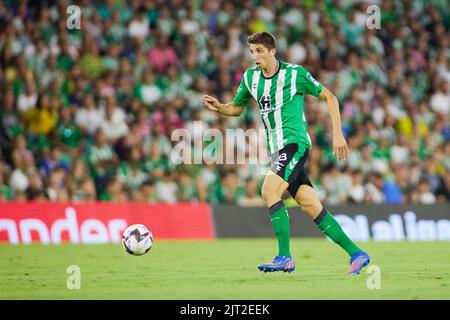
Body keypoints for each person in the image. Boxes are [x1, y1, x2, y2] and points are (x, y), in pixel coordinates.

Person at [201, 32, 370, 275]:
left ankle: (284, 257)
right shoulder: (250, 78)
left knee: (269, 190)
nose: (255, 56)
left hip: (295, 144)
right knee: (311, 205)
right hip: (276, 150)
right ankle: (356, 254)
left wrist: (337, 134)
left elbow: (330, 97)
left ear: (272, 51)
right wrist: (219, 107)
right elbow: (237, 108)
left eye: (259, 51)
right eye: (252, 52)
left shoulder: (294, 74)